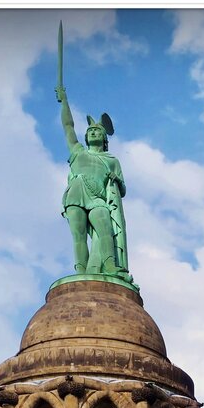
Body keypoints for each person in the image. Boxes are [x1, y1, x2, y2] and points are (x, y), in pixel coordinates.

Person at [55, 83, 133, 285]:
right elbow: (68, 126)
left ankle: (109, 266)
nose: (93, 133)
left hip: (98, 198)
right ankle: (81, 272)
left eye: (98, 132)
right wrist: (64, 101)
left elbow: (122, 190)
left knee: (105, 230)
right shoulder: (78, 152)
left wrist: (116, 181)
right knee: (78, 237)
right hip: (75, 194)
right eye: (90, 131)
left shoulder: (111, 160)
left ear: (105, 138)